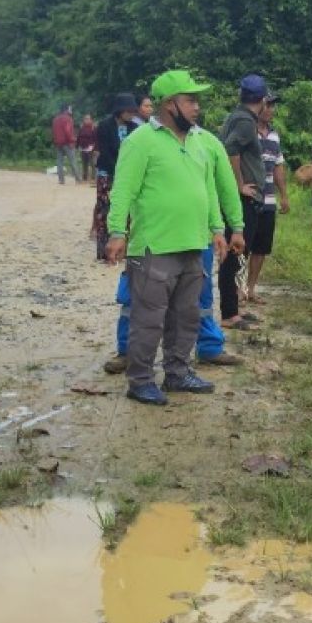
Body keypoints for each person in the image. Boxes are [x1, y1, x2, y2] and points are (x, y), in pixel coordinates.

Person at [105, 70, 238, 406]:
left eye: (197, 100)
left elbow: (206, 189)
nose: (197, 107)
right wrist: (117, 231)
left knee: (185, 316)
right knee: (148, 319)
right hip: (154, 246)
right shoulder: (140, 141)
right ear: (169, 104)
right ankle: (140, 380)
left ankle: (178, 374)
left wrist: (218, 228)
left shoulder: (197, 141)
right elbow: (123, 189)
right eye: (190, 100)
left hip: (193, 244)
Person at [218, 74, 268, 331]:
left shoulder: (237, 117)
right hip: (241, 199)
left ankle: (233, 308)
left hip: (239, 197)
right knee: (235, 254)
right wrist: (239, 184)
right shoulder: (246, 122)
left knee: (237, 254)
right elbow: (230, 149)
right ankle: (229, 313)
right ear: (262, 98)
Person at [246, 92, 291, 305]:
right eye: (269, 106)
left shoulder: (274, 135)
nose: (272, 110)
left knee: (261, 248)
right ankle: (237, 289)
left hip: (269, 200)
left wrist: (284, 195)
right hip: (248, 197)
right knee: (243, 245)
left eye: (274, 106)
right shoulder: (247, 131)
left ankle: (251, 288)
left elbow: (278, 166)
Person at [92, 94, 138, 262]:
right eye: (128, 110)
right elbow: (105, 151)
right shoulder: (104, 126)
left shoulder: (135, 128)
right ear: (119, 110)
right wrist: (118, 171)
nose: (131, 114)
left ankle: (124, 249)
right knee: (104, 211)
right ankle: (104, 250)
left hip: (127, 175)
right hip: (108, 173)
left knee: (127, 212)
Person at [77, 113, 97, 183]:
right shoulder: (82, 127)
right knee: (84, 163)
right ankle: (84, 176)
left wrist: (95, 148)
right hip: (83, 148)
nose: (86, 120)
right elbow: (79, 137)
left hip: (91, 148)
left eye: (88, 119)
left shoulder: (93, 128)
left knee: (92, 163)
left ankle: (93, 177)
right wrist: (77, 146)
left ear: (91, 120)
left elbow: (96, 138)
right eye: (85, 119)